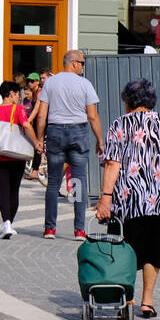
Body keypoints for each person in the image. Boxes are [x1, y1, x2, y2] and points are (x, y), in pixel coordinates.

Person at [95, 79, 160, 320]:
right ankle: (147, 301)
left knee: (126, 251)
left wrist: (105, 198)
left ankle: (127, 300)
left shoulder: (119, 124)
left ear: (128, 101)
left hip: (128, 202)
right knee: (153, 252)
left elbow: (112, 164)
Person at [32, 49, 103, 241]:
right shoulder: (85, 84)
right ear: (73, 63)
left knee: (53, 181)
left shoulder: (50, 83)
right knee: (78, 181)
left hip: (55, 131)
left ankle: (50, 229)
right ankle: (79, 230)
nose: (82, 66)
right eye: (82, 63)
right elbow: (92, 116)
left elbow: (41, 115)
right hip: (78, 132)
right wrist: (100, 140)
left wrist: (39, 139)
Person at [0, 81, 41, 239]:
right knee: (14, 190)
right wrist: (36, 143)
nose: (18, 97)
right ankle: (10, 223)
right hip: (16, 157)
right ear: (10, 94)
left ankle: (6, 223)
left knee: (3, 191)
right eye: (17, 94)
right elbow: (26, 126)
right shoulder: (19, 109)